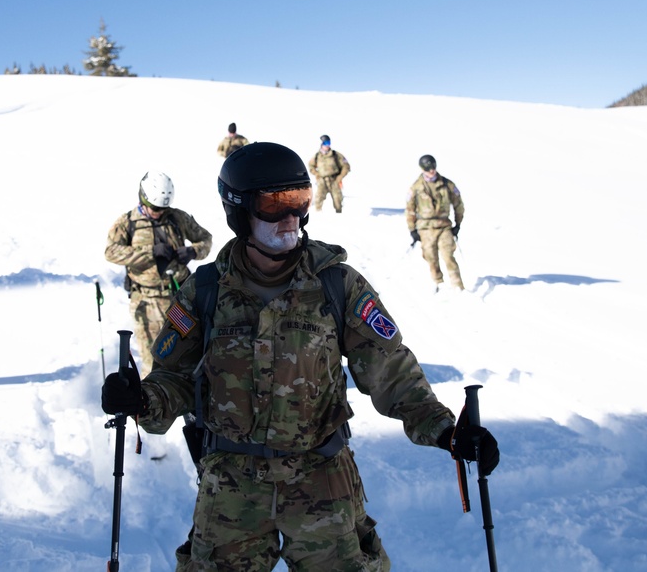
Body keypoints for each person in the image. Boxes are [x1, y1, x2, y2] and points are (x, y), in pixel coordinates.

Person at [102, 142, 498, 571]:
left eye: (299, 201)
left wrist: (446, 431)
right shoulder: (206, 291)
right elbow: (175, 379)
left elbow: (391, 371)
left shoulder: (337, 284)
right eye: (274, 204)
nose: (290, 217)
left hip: (322, 478)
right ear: (238, 211)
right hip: (232, 485)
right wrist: (141, 400)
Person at [104, 171, 213, 377]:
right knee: (153, 359)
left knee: (189, 353)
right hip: (147, 299)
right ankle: (151, 403)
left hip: (180, 298)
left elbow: (205, 239)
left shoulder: (177, 217)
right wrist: (148, 253)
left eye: (162, 208)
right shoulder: (128, 223)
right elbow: (111, 252)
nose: (158, 213)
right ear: (143, 198)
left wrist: (193, 251)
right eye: (154, 208)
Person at [406, 154, 465, 292]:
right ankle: (438, 282)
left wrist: (458, 224)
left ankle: (458, 286)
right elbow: (409, 210)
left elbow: (458, 205)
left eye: (433, 167)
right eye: (428, 169)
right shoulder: (416, 187)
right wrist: (412, 230)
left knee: (448, 256)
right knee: (430, 257)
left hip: (444, 227)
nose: (431, 171)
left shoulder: (447, 184)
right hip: (425, 229)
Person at [307, 134, 351, 213]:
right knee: (319, 198)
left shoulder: (336, 155)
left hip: (334, 180)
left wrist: (340, 177)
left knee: (338, 199)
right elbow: (311, 166)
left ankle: (339, 214)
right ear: (322, 144)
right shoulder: (317, 156)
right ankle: (318, 215)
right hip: (322, 180)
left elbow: (346, 166)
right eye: (325, 143)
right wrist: (317, 174)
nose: (327, 145)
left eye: (329, 143)